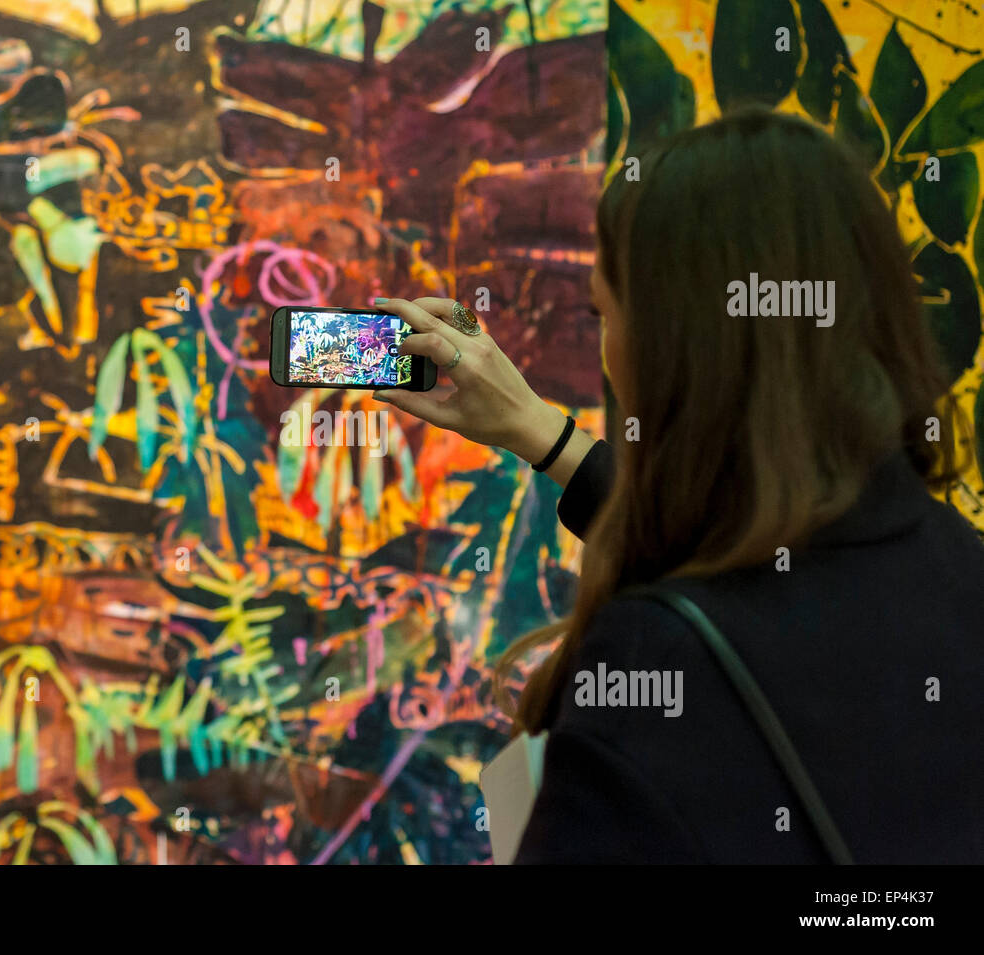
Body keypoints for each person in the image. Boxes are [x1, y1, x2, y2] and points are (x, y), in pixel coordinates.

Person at [371, 107, 984, 863]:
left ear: (674, 347)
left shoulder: (658, 661)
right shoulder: (955, 565)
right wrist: (539, 430)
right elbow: (750, 539)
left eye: (604, 312)